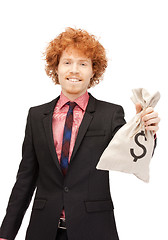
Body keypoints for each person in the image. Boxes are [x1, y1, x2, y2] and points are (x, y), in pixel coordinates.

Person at [0, 27, 160, 240]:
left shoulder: (110, 113)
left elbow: (131, 154)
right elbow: (26, 177)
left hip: (94, 229)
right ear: (56, 68)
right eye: (67, 62)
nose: (74, 70)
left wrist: (146, 130)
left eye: (83, 63)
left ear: (94, 70)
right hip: (44, 229)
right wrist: (6, 233)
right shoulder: (37, 115)